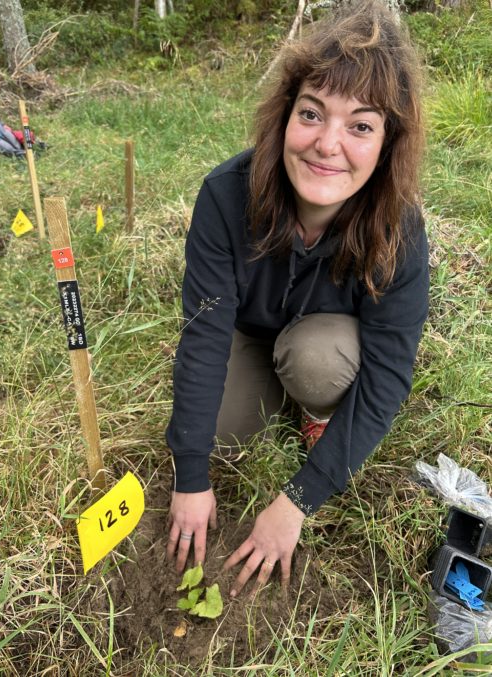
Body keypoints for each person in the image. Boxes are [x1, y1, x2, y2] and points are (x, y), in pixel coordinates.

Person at [165, 0, 429, 597]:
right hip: (252, 336)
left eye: (361, 125)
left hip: (327, 344)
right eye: (312, 114)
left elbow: (387, 374)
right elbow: (205, 334)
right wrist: (191, 475)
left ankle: (317, 409)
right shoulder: (225, 196)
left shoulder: (400, 229)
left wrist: (297, 501)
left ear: (388, 143)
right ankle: (280, 398)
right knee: (224, 432)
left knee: (318, 359)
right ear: (286, 114)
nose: (327, 145)